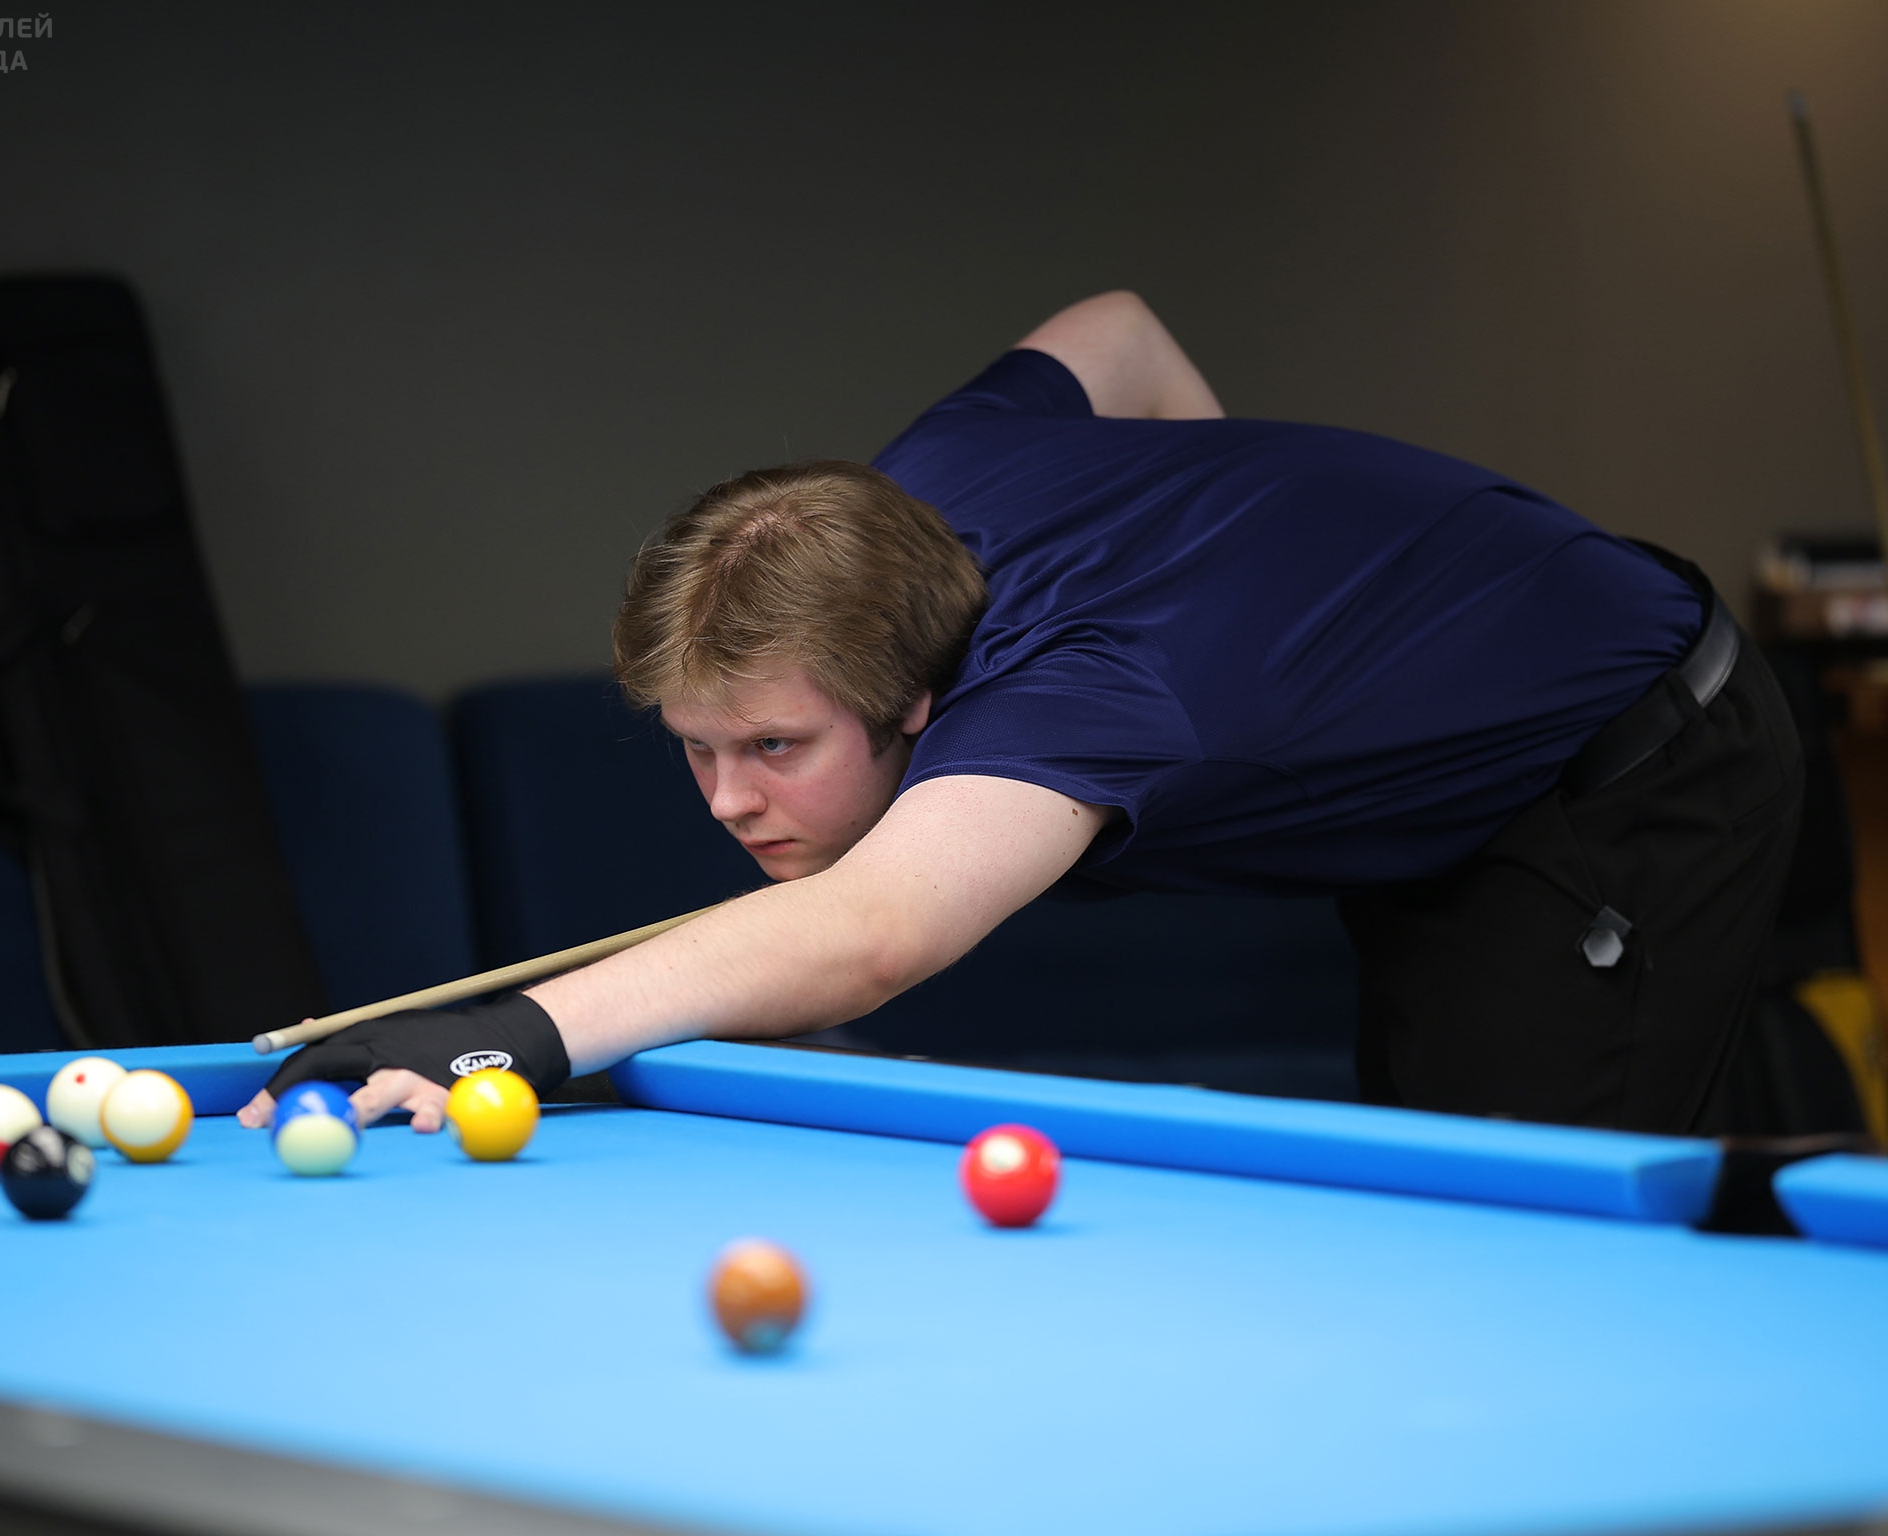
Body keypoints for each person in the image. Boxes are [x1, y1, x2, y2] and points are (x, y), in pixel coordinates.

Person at [239, 291, 1802, 1138]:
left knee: (1515, 1240)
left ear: (919, 700)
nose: (727, 799)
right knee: (1429, 1179)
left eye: (775, 749)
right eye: (697, 749)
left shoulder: (1086, 698)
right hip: (1456, 791)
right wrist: (1231, 548)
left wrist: (512, 1034)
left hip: (1636, 769)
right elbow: (1119, 330)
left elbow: (872, 936)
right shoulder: (914, 497)